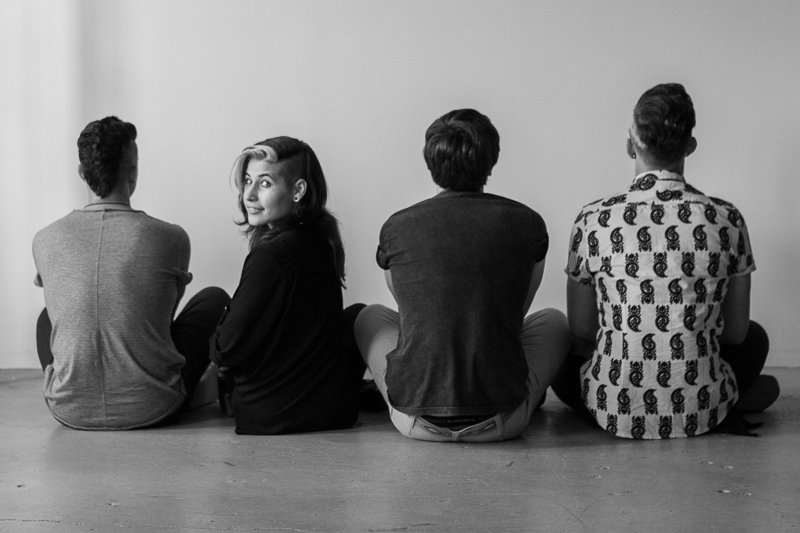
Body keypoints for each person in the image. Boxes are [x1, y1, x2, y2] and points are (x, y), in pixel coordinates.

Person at [552, 83, 779, 439]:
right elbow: (735, 333)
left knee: (560, 354)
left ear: (631, 145)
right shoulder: (726, 218)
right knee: (756, 340)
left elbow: (582, 329)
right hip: (700, 407)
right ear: (691, 146)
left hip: (612, 407)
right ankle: (727, 397)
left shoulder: (593, 219)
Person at [354, 109, 571, 443]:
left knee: (369, 316)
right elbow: (516, 314)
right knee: (555, 321)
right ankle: (522, 390)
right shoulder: (528, 223)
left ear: (430, 162)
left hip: (414, 421)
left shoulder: (396, 226)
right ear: (491, 160)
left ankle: (405, 387)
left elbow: (407, 308)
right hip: (502, 421)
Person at [33, 116, 230, 430]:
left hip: (68, 410)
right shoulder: (172, 237)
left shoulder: (45, 239)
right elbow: (162, 319)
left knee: (47, 317)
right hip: (156, 406)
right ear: (133, 172)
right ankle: (190, 393)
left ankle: (74, 389)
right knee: (214, 299)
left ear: (82, 172)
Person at [211, 136, 365, 435]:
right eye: (248, 181)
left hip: (267, 416)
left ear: (298, 190)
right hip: (333, 412)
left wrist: (218, 338)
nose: (249, 195)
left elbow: (226, 349)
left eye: (265, 183)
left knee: (214, 306)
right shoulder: (322, 239)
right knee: (356, 314)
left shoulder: (271, 256)